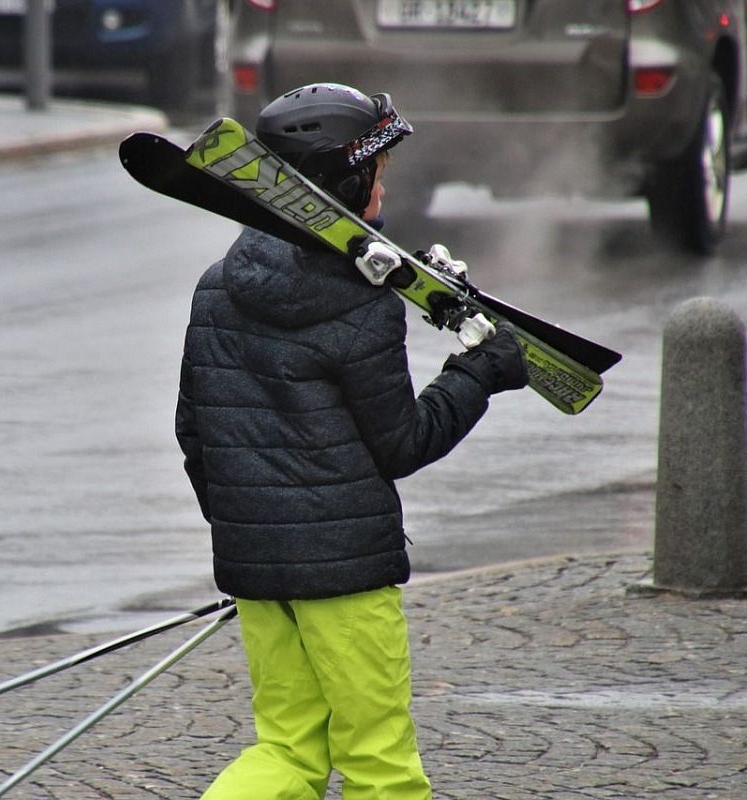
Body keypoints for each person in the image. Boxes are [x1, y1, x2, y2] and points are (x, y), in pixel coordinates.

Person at [175, 82, 529, 800]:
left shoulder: (219, 285)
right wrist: (478, 373)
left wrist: (253, 541)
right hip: (344, 580)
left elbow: (194, 433)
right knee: (379, 763)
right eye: (377, 169)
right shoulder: (359, 304)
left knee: (287, 752)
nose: (385, 183)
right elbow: (403, 443)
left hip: (258, 571)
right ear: (344, 179)